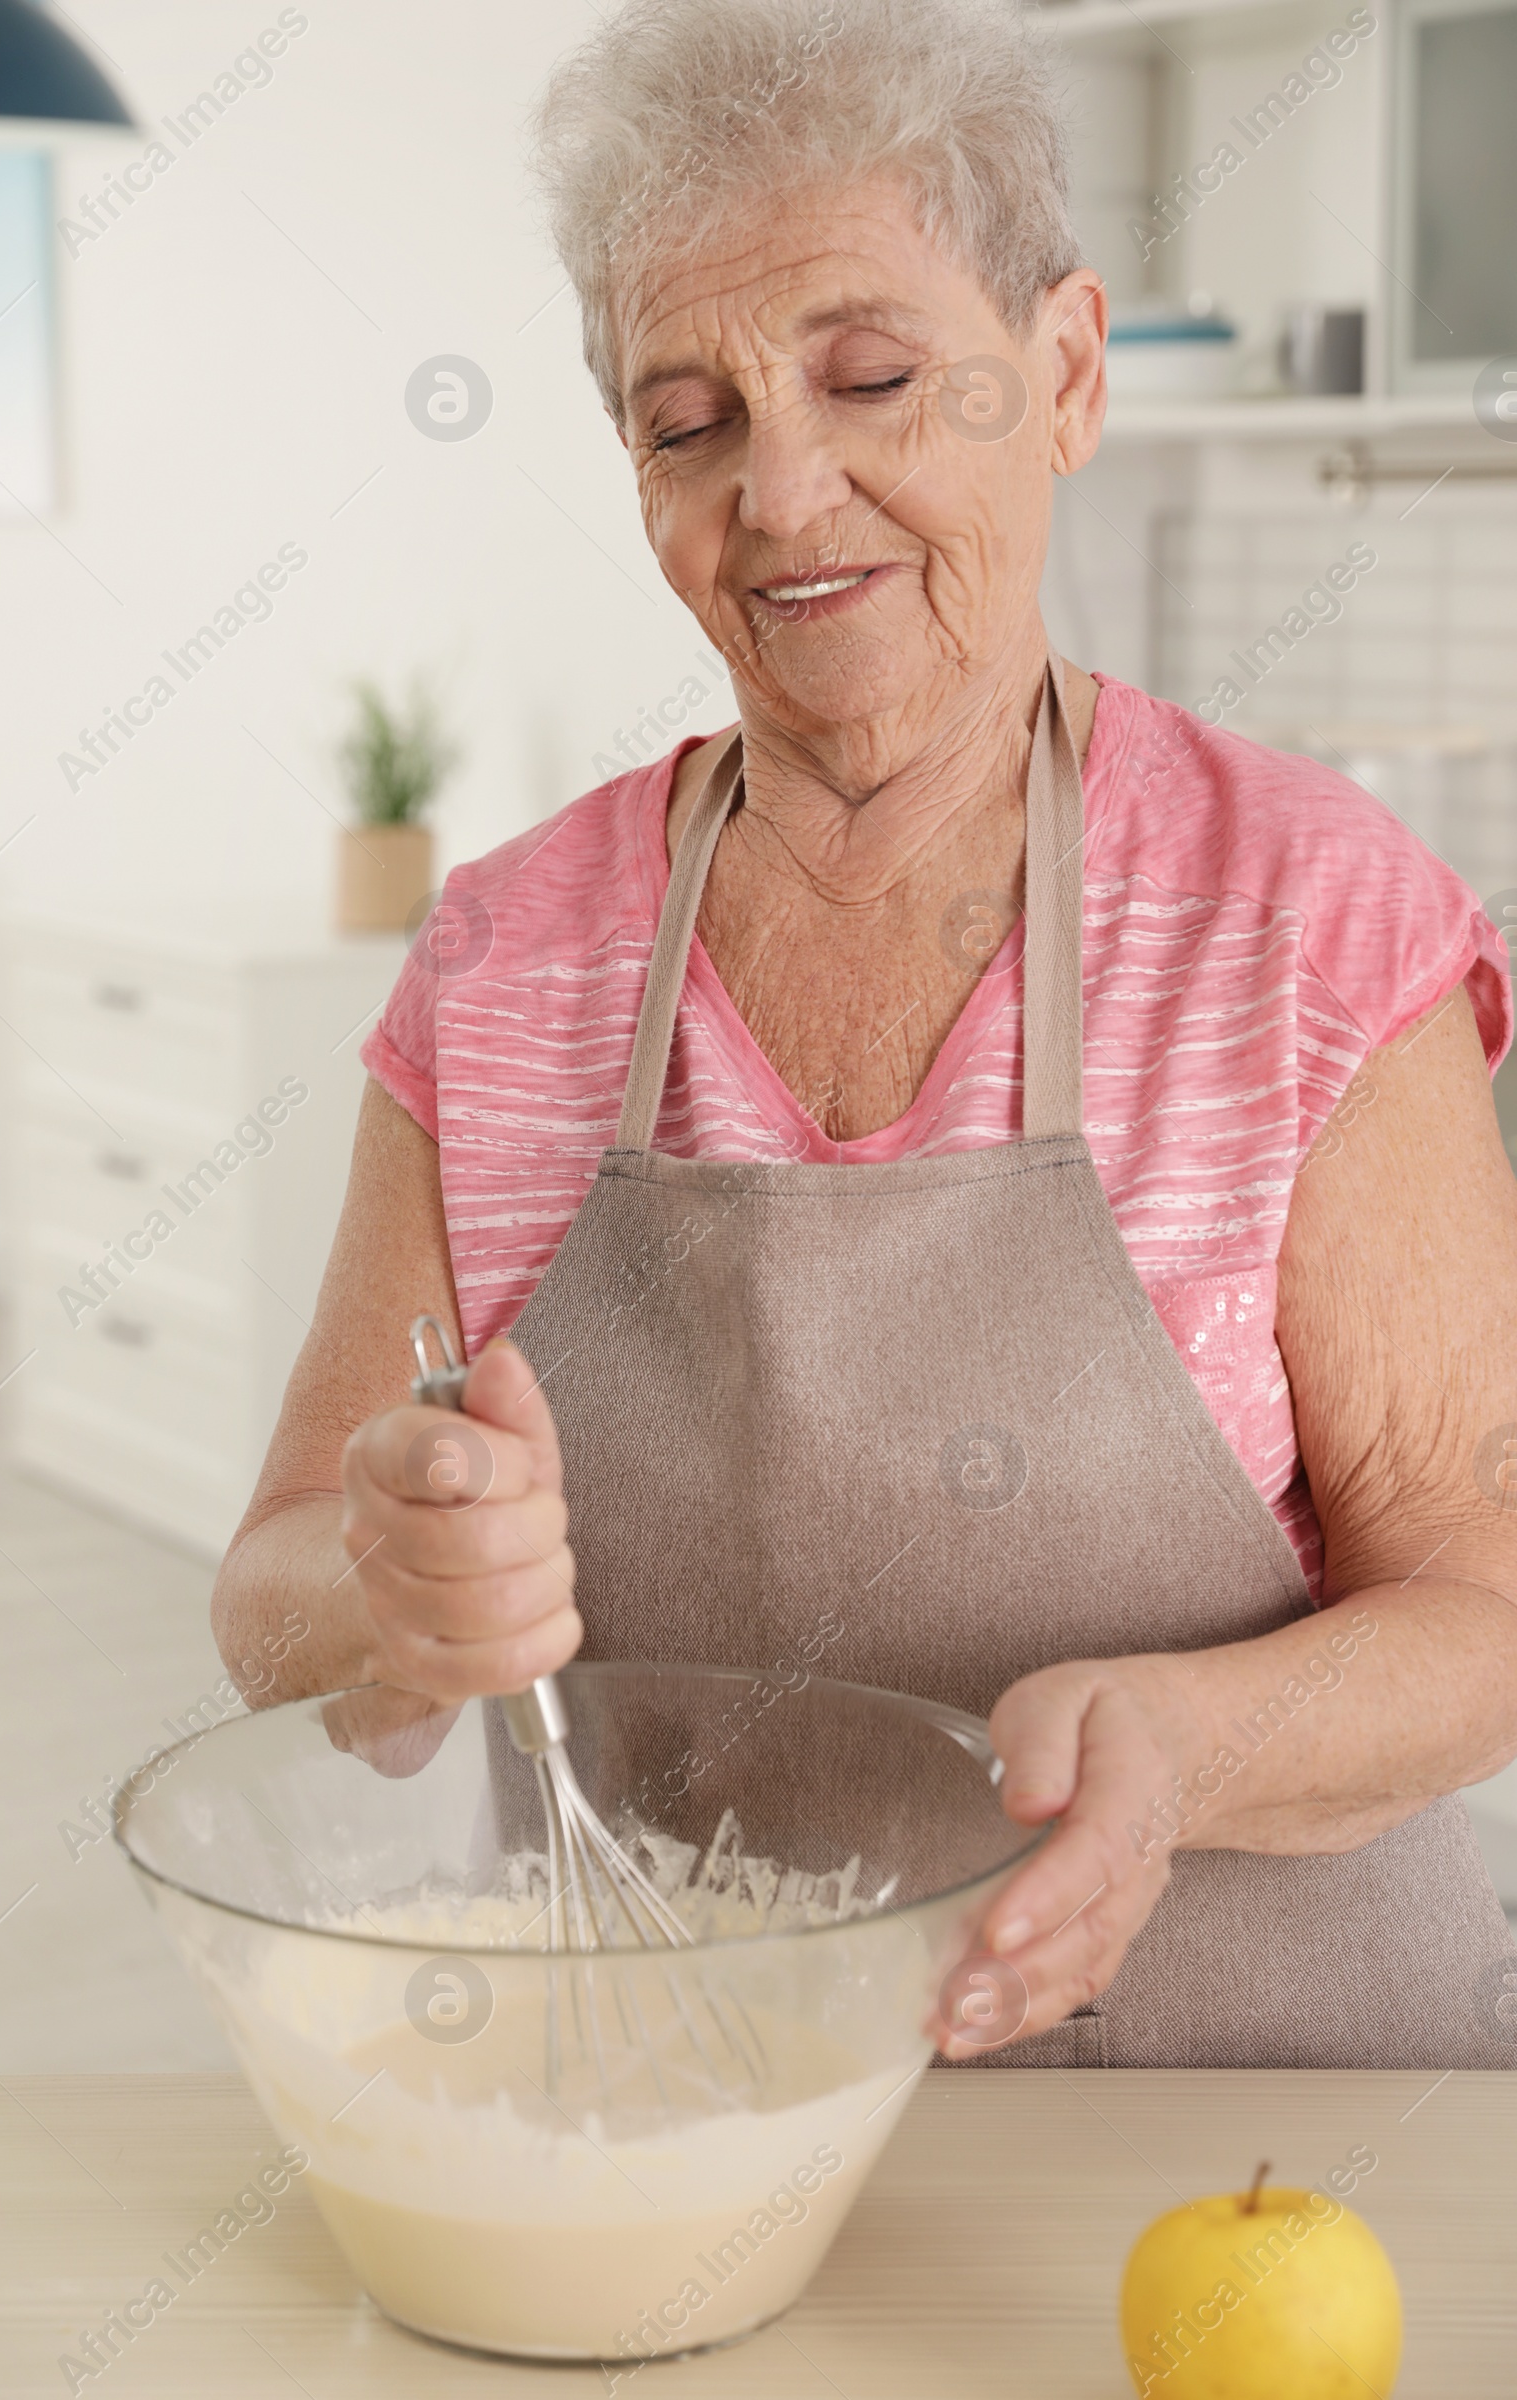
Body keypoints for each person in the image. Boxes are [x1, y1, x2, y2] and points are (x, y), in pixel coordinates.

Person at [212, 0, 1517, 2066]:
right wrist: (390, 1600)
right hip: (689, 2149)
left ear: (1063, 373)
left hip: (1267, 2155)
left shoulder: (1307, 926)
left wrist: (1182, 1743)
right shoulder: (503, 966)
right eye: (684, 419)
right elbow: (273, 1583)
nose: (784, 492)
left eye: (872, 377)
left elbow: (1479, 1599)